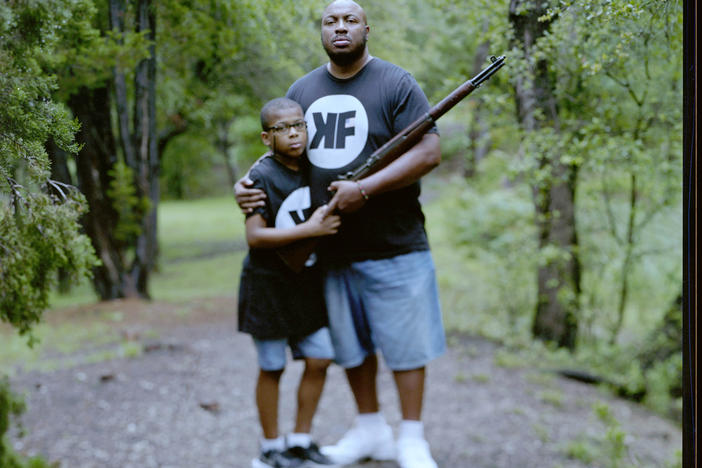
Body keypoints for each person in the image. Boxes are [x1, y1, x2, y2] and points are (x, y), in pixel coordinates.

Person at [236, 2, 446, 467]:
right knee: (352, 346)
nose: (341, 27)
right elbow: (278, 157)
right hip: (328, 249)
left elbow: (429, 151)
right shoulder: (303, 89)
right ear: (322, 32)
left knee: (406, 346)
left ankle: (412, 438)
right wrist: (244, 184)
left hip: (395, 241)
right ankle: (370, 429)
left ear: (367, 28)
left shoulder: (395, 82)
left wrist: (365, 190)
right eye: (331, 21)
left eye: (350, 19)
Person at [238, 97, 342, 468]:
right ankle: (269, 450)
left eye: (299, 125)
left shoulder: (316, 167)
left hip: (306, 283)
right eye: (282, 128)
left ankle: (299, 441)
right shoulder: (262, 176)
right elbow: (255, 237)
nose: (294, 134)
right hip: (268, 286)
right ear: (267, 137)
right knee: (272, 366)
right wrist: (310, 229)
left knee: (320, 357)